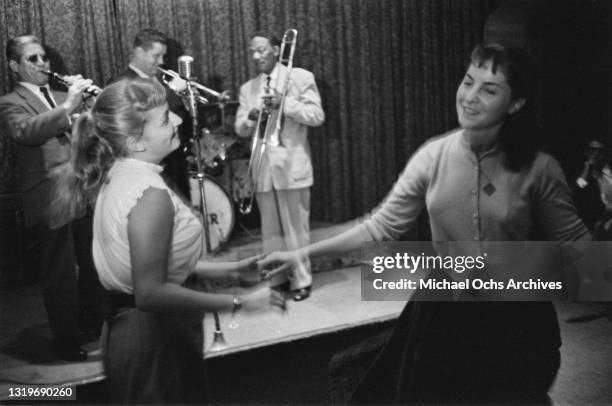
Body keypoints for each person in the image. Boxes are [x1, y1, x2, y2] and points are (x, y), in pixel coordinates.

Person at [260, 43, 591, 404]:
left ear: (515, 103)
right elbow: (379, 227)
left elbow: (576, 244)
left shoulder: (540, 168)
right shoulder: (433, 156)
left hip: (515, 318)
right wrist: (301, 254)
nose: (470, 97)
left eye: (489, 89)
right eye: (468, 81)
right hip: (445, 315)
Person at [49, 78, 285, 404]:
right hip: (152, 336)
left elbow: (153, 263)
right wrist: (241, 303)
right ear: (136, 141)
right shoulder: (149, 195)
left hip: (140, 331)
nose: (177, 120)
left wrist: (231, 270)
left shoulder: (122, 172)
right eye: (164, 119)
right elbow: (150, 292)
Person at [0, 34, 107, 361]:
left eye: (44, 57)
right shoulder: (9, 102)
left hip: (83, 189)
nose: (43, 64)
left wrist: (93, 102)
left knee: (93, 262)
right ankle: (66, 338)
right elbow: (26, 132)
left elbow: (95, 133)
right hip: (49, 195)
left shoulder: (64, 94)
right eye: (32, 59)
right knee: (59, 271)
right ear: (14, 65)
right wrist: (69, 107)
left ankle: (93, 323)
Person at [235, 30, 325, 301]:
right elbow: (240, 128)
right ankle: (278, 278)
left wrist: (284, 103)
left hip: (291, 167)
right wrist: (249, 118)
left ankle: (301, 280)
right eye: (252, 51)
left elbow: (316, 115)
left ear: (276, 49)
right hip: (263, 169)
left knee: (297, 230)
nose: (256, 55)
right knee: (271, 232)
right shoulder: (248, 88)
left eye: (261, 49)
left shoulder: (300, 77)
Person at [108, 28, 192, 199]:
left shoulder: (161, 79)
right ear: (139, 52)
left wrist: (187, 100)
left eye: (163, 55)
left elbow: (182, 118)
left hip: (176, 163)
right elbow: (141, 121)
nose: (161, 61)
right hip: (148, 167)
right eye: (156, 56)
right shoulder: (121, 82)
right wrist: (173, 90)